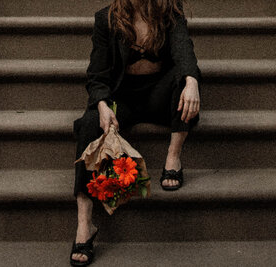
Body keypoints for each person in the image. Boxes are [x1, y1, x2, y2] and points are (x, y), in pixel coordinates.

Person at [70, 0, 201, 265]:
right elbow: (97, 74)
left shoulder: (170, 12)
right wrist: (103, 105)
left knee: (185, 79)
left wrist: (192, 80)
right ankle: (85, 224)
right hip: (122, 98)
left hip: (158, 95)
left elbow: (183, 50)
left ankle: (173, 156)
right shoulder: (106, 18)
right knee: (88, 123)